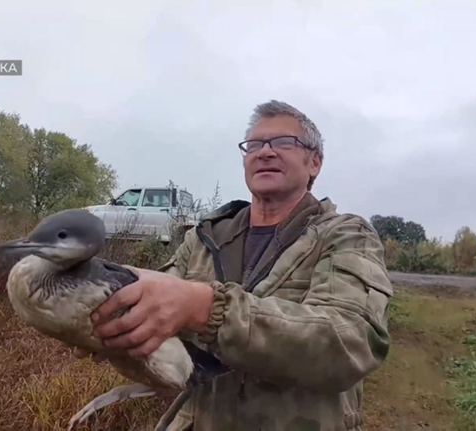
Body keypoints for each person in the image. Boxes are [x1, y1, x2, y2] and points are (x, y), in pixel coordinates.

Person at [76, 100, 393, 431]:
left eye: (283, 142)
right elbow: (150, 316)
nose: (265, 152)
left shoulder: (346, 236)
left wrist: (206, 309)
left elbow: (349, 343)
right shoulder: (204, 238)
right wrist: (98, 319)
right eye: (254, 145)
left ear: (314, 162)